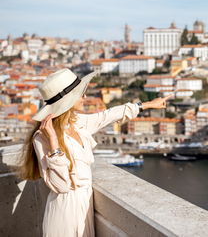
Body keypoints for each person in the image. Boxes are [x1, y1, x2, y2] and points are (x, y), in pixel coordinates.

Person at [18, 68, 172, 237]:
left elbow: (108, 115)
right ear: (68, 100)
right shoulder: (42, 139)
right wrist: (54, 142)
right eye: (81, 93)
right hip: (63, 214)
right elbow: (61, 186)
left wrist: (148, 105)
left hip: (85, 208)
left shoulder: (77, 123)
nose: (85, 96)